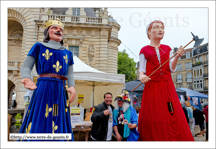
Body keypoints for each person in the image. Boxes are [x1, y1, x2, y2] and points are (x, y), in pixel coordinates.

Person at [19, 18, 76, 141]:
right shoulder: (38, 46)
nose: (58, 30)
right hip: (43, 85)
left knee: (57, 114)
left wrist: (72, 86)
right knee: (41, 114)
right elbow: (26, 66)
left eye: (60, 29)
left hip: (60, 87)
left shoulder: (68, 53)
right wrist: (26, 78)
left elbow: (70, 74)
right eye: (54, 28)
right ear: (47, 32)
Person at [138, 20, 194, 141]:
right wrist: (141, 76)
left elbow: (171, 69)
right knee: (154, 113)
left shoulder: (168, 48)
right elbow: (141, 70)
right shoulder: (144, 50)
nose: (160, 30)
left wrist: (177, 57)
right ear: (149, 32)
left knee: (172, 113)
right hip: (152, 85)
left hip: (167, 84)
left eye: (162, 28)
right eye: (156, 27)